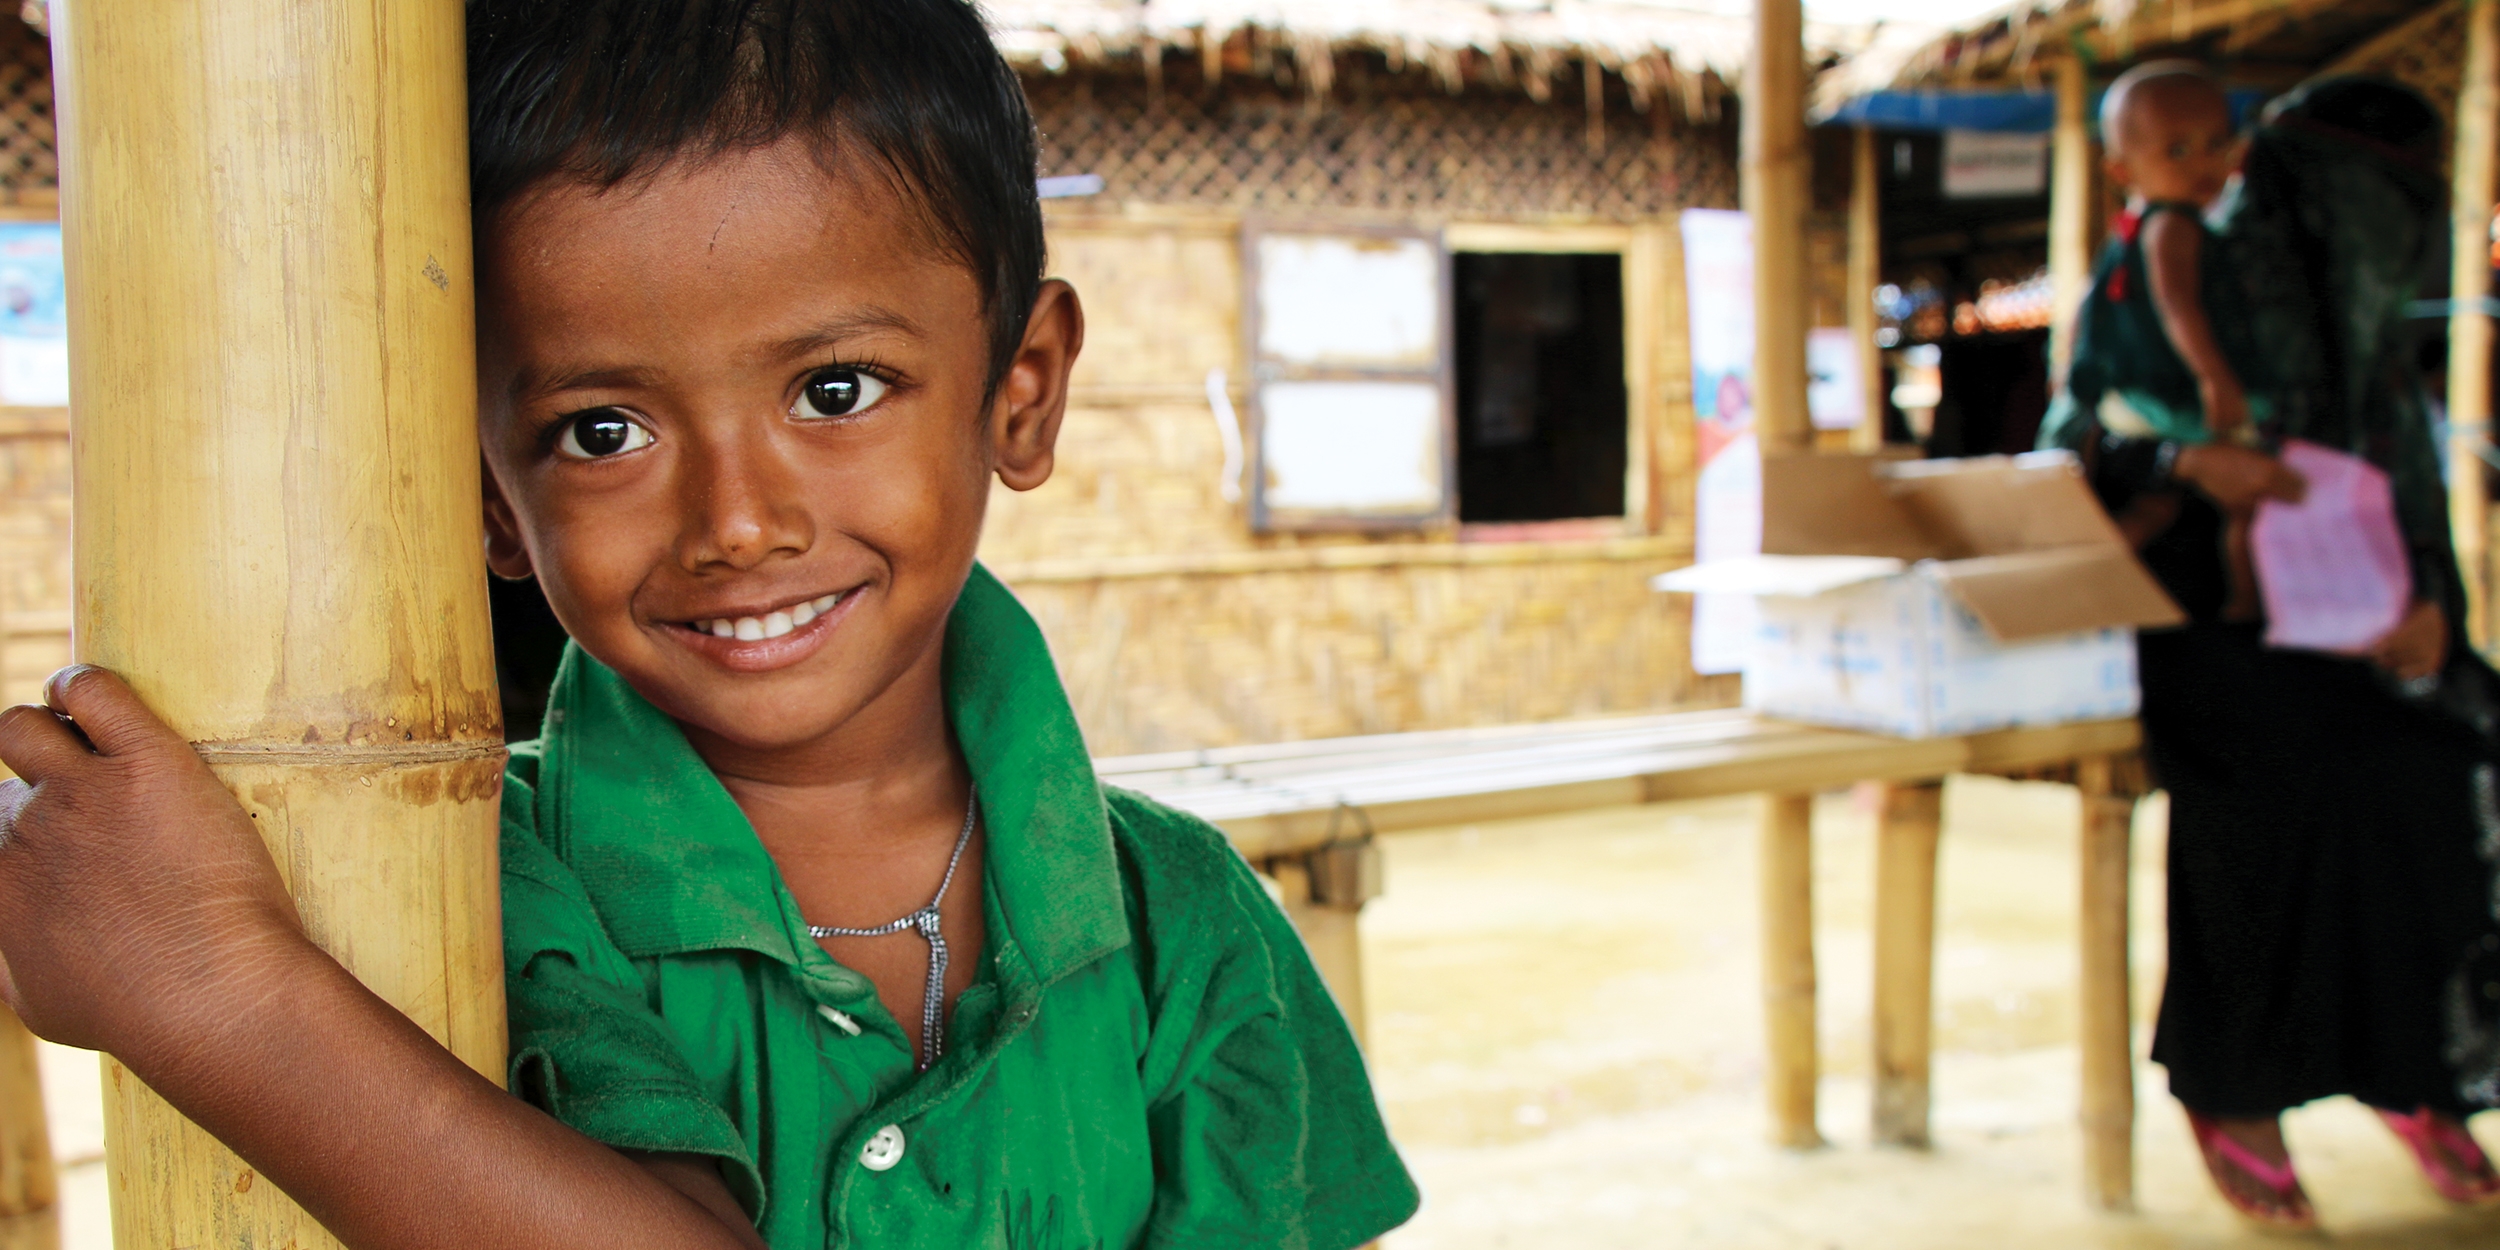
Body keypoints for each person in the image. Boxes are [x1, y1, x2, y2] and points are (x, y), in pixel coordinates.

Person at [0, 2, 1421, 1247]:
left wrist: (228, 1009)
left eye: (837, 391)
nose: (737, 520)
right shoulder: (460, 894)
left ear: (1022, 387)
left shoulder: (1189, 932)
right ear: (488, 498)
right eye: (601, 428)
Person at [2044, 72, 2500, 1231]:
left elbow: (2405, 503)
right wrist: (2188, 465)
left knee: (2451, 761)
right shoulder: (2174, 272)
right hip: (2207, 618)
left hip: (2352, 622)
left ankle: (2415, 1066)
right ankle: (2236, 1090)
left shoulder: (2370, 347)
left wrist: (2427, 618)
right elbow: (2071, 436)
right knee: (2264, 793)